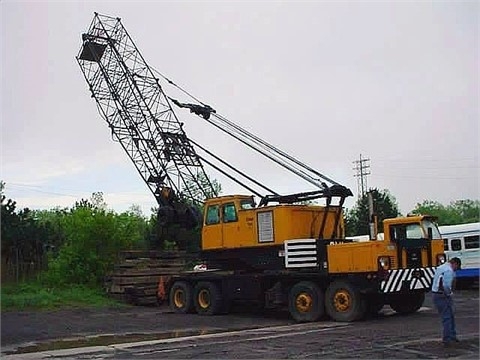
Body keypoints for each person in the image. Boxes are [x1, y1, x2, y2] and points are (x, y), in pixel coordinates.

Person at [431, 257, 462, 347]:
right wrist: (450, 294)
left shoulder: (441, 267)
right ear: (455, 264)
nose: (456, 269)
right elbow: (446, 285)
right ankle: (447, 339)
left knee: (449, 316)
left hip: (436, 294)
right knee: (447, 317)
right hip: (443, 295)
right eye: (457, 267)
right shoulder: (449, 270)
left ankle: (451, 335)